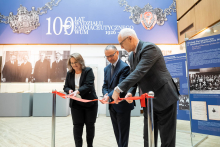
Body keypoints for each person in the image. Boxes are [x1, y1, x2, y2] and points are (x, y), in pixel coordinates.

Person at [112, 28, 179, 147]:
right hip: (149, 102)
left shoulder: (149, 48)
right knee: (148, 137)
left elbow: (139, 72)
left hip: (165, 98)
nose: (121, 47)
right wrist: (131, 92)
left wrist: (118, 89)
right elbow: (135, 76)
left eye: (121, 43)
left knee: (167, 139)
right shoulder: (132, 56)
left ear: (130, 38)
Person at [102, 45, 135, 147]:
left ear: (117, 53)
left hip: (122, 105)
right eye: (107, 57)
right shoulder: (107, 68)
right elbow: (105, 85)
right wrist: (105, 94)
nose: (109, 58)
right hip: (112, 105)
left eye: (111, 55)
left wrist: (109, 96)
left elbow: (121, 86)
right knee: (116, 132)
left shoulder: (124, 67)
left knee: (123, 134)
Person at [63, 53, 98, 147]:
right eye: (72, 63)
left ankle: (90, 145)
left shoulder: (88, 70)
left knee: (90, 126)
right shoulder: (69, 73)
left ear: (81, 61)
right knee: (77, 126)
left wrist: (77, 91)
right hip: (76, 105)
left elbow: (88, 84)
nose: (74, 65)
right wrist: (69, 90)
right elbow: (65, 87)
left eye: (76, 62)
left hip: (90, 104)